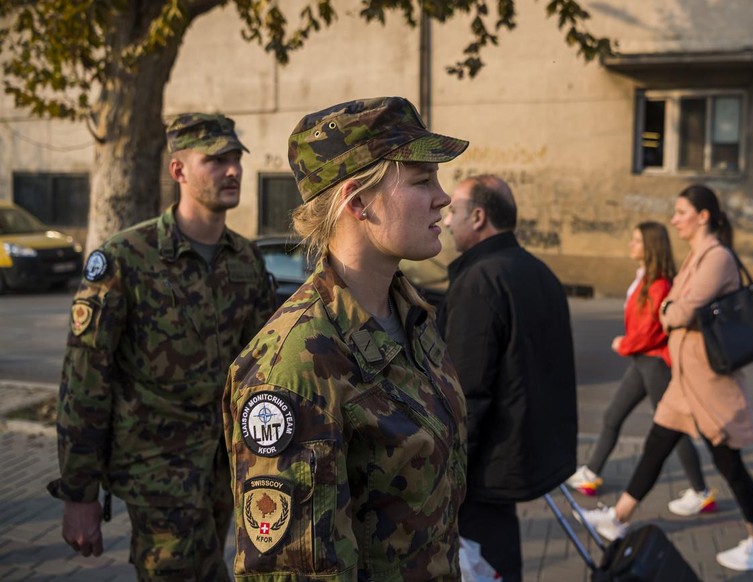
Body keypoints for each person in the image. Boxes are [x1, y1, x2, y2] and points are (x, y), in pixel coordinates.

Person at [223, 96, 470, 579]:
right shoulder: (294, 365)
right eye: (422, 181)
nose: (444, 198)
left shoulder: (413, 318)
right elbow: (296, 570)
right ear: (357, 201)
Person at [48, 113, 277, 580]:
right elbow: (84, 384)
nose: (232, 170)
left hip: (225, 465)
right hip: (158, 468)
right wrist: (79, 494)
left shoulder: (247, 259)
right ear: (179, 171)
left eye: (235, 158)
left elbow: (262, 369)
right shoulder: (124, 259)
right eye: (215, 160)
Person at [582, 185, 753, 572]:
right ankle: (618, 518)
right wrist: (671, 308)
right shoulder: (698, 255)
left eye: (681, 211)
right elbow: (672, 305)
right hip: (685, 381)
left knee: (730, 466)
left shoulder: (717, 257)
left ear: (703, 216)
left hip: (709, 383)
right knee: (656, 447)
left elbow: (679, 311)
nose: (674, 219)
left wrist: (671, 310)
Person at [439, 175, 578, 582]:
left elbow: (467, 392)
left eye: (453, 212)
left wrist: (448, 475)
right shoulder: (535, 269)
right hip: (523, 455)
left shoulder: (480, 282)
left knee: (487, 564)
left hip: (486, 468)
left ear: (479, 217)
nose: (447, 222)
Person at [567, 222, 717, 517]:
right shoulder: (645, 278)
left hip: (655, 362)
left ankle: (700, 493)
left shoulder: (659, 283)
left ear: (650, 247)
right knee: (613, 415)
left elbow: (652, 330)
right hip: (643, 361)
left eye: (636, 241)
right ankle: (591, 474)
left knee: (674, 428)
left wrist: (624, 343)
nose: (631, 245)